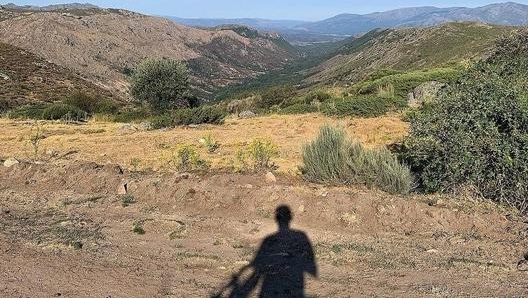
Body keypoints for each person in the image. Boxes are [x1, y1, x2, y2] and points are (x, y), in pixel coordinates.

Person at [213, 205, 317, 298]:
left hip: (271, 284)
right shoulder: (300, 235)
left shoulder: (269, 239)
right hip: (292, 282)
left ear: (276, 219)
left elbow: (257, 263)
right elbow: (310, 262)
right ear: (290, 217)